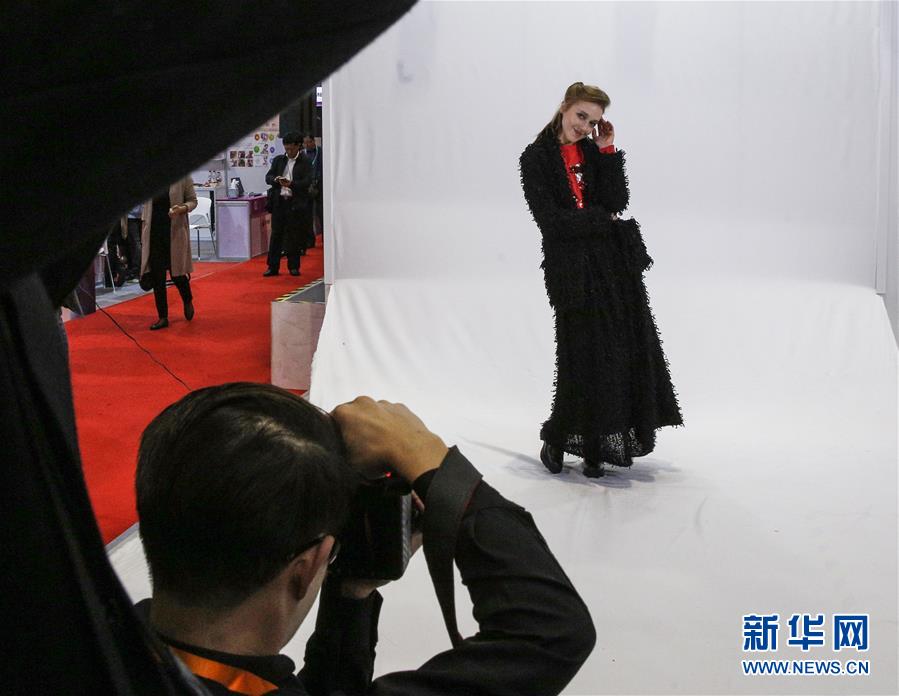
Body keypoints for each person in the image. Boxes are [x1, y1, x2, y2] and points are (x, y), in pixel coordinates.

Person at [135, 383, 595, 695]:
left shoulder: (105, 645)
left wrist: (351, 591)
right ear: (305, 569)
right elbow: (551, 631)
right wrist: (432, 463)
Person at [519, 82, 683, 478]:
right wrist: (599, 219)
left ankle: (596, 446)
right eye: (581, 116)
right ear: (564, 107)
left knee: (615, 356)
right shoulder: (535, 158)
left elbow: (616, 201)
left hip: (612, 268)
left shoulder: (593, 150)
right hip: (572, 273)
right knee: (579, 357)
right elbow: (552, 223)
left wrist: (607, 150)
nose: (584, 126)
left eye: (592, 121)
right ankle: (558, 436)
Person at [140, 176, 197, 330]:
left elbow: (193, 201)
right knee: (157, 277)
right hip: (153, 233)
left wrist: (182, 209)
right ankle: (162, 317)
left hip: (174, 232)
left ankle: (187, 299)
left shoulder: (183, 177)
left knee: (177, 275)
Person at [264, 132, 314, 276]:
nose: (289, 151)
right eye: (286, 148)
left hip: (295, 203)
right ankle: (272, 266)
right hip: (279, 202)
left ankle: (293, 266)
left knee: (294, 235)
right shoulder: (279, 160)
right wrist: (276, 180)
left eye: (291, 148)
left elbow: (307, 182)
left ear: (298, 146)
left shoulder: (305, 162)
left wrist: (291, 184)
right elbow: (268, 177)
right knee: (276, 235)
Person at [302, 133, 324, 247]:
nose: (307, 145)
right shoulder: (302, 154)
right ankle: (309, 240)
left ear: (313, 141)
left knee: (322, 213)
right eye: (305, 143)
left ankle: (326, 238)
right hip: (307, 187)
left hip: (320, 186)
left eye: (309, 142)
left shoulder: (322, 152)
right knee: (307, 215)